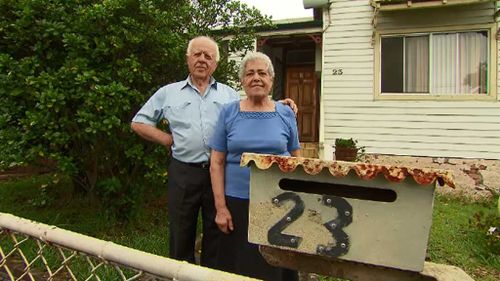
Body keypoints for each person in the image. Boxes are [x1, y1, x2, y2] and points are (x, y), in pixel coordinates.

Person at [131, 36, 296, 268]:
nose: (202, 60)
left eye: (208, 56)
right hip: (185, 172)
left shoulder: (228, 94)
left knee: (217, 234)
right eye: (197, 54)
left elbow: (252, 106)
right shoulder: (168, 93)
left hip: (219, 175)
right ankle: (180, 274)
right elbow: (138, 123)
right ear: (188, 59)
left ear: (215, 64)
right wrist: (168, 139)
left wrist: (280, 105)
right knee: (181, 230)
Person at [209, 51, 300, 281]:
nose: (256, 78)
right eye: (250, 73)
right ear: (242, 81)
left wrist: (299, 204)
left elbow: (296, 162)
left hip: (279, 203)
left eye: (262, 73)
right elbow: (217, 162)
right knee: (238, 264)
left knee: (275, 265)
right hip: (237, 203)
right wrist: (221, 208)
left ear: (271, 80)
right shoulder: (229, 112)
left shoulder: (285, 113)